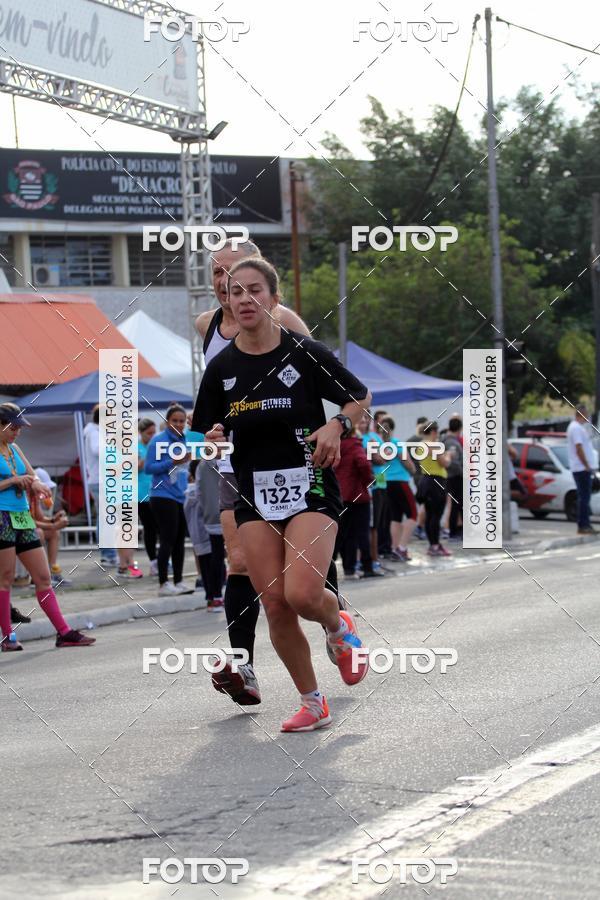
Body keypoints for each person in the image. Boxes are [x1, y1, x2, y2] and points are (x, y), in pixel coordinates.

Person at [193, 257, 372, 732]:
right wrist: (208, 440)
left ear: (273, 298)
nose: (245, 299)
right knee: (273, 600)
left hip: (310, 482)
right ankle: (313, 703)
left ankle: (339, 628)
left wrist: (337, 424)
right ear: (225, 302)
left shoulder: (304, 352)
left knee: (302, 593)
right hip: (254, 491)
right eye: (235, 292)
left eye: (255, 290)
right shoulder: (221, 369)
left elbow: (359, 398)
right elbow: (200, 432)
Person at [0, 403, 95, 651]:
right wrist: (12, 480)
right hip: (2, 517)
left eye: (20, 428)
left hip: (22, 517)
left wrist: (37, 485)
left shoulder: (15, 449)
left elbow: (32, 476)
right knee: (6, 578)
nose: (17, 432)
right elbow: (18, 478)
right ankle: (7, 637)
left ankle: (63, 632)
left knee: (43, 577)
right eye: (13, 427)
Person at [144, 404, 195, 596]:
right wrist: (172, 461)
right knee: (167, 539)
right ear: (167, 422)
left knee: (180, 539)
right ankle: (163, 583)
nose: (179, 424)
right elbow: (149, 468)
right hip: (161, 495)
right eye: (175, 421)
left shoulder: (185, 440)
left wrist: (188, 474)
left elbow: (183, 467)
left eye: (182, 421)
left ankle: (179, 580)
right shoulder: (158, 441)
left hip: (180, 495)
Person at [334, 421, 379, 579]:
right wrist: (369, 480)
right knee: (362, 532)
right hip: (358, 495)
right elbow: (363, 464)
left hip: (340, 496)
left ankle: (348, 569)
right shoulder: (355, 445)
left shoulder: (336, 446)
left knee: (345, 534)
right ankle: (367, 567)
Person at [379, 416, 417, 561]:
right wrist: (413, 469)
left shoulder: (379, 444)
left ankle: (395, 549)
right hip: (400, 481)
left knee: (396, 517)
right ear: (393, 428)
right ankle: (402, 548)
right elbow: (406, 461)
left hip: (387, 483)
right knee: (413, 515)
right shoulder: (396, 443)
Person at [417, 421, 453, 558]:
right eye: (436, 432)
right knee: (436, 515)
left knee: (430, 515)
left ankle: (433, 545)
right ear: (433, 432)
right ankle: (435, 545)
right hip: (436, 481)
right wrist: (449, 455)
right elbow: (443, 463)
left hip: (425, 480)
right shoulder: (432, 445)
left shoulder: (421, 444)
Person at [567, 404, 597, 535]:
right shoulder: (576, 428)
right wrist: (586, 465)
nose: (588, 417)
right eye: (587, 414)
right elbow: (579, 448)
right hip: (581, 468)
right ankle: (583, 525)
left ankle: (585, 524)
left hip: (581, 468)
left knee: (584, 497)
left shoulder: (577, 428)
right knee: (584, 498)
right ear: (581, 413)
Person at [138, 418, 158, 575]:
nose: (152, 436)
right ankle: (153, 561)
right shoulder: (135, 447)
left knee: (162, 528)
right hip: (141, 494)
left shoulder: (158, 445)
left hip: (158, 493)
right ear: (141, 433)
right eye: (149, 433)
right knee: (149, 528)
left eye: (154, 433)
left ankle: (162, 559)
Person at [407, 416, 429, 540]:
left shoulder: (410, 440)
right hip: (425, 475)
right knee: (426, 502)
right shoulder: (426, 441)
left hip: (416, 475)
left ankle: (421, 527)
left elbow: (406, 458)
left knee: (422, 501)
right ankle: (420, 527)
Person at [444, 416, 464, 540]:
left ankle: (457, 530)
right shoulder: (452, 442)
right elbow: (454, 462)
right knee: (458, 504)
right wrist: (463, 471)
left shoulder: (446, 440)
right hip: (455, 477)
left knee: (457, 504)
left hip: (452, 477)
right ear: (460, 428)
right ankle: (454, 531)